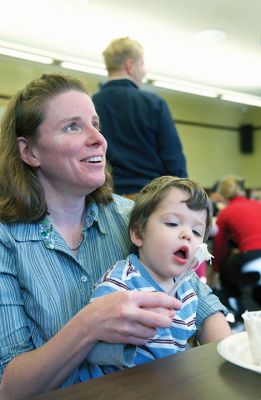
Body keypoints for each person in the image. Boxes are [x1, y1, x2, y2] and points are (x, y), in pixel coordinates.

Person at [0, 73, 183, 400]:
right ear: (29, 152)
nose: (98, 138)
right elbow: (8, 387)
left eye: (95, 124)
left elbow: (205, 305)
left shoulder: (132, 216)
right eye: (72, 126)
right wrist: (90, 323)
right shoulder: (6, 239)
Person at [83, 176, 231, 379]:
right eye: (172, 223)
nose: (187, 235)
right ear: (138, 233)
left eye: (197, 232)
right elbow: (90, 346)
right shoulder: (121, 283)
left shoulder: (188, 290)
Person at [92, 37, 187, 199]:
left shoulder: (91, 104)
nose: (144, 71)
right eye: (142, 64)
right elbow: (173, 159)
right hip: (148, 198)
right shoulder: (154, 104)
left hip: (105, 198)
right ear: (130, 65)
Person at [211, 175, 261, 318]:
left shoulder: (226, 212)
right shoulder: (260, 205)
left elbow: (220, 249)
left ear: (222, 195)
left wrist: (216, 273)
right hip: (260, 259)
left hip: (253, 258)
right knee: (259, 294)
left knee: (226, 271)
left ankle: (238, 317)